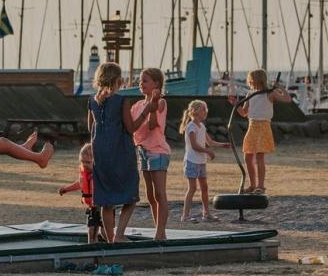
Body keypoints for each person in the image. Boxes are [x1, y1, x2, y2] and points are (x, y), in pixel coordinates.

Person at [88, 63, 144, 243]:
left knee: (106, 198)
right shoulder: (121, 101)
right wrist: (146, 112)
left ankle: (111, 238)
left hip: (100, 152)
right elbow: (131, 128)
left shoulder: (92, 101)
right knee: (131, 193)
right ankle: (119, 234)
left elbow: (91, 127)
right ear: (118, 80)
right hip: (120, 151)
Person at [230, 69, 291, 193]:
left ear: (257, 81)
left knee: (259, 157)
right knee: (247, 156)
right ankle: (252, 185)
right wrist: (236, 105)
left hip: (263, 126)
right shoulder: (250, 95)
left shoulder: (270, 94)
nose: (250, 83)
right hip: (252, 126)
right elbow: (244, 113)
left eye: (251, 81)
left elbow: (287, 99)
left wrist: (280, 88)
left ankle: (260, 186)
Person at [130, 67, 170, 240]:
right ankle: (158, 228)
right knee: (150, 195)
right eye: (140, 80)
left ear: (156, 84)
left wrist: (152, 106)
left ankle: (161, 232)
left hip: (158, 151)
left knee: (160, 193)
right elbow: (132, 128)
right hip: (143, 152)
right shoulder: (137, 106)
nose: (141, 83)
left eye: (145, 80)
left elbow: (153, 125)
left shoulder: (161, 103)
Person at [179, 99, 231, 222]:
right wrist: (208, 151)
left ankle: (206, 213)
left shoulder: (201, 126)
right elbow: (194, 146)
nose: (205, 111)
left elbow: (210, 142)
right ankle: (185, 216)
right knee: (192, 188)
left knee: (204, 188)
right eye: (203, 109)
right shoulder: (191, 127)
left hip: (201, 162)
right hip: (192, 161)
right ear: (196, 111)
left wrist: (222, 145)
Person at [58, 144, 104, 243]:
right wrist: (66, 189)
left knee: (104, 231)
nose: (85, 165)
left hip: (103, 207)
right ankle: (91, 248)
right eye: (82, 162)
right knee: (91, 231)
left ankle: (110, 246)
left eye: (88, 162)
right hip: (92, 207)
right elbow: (79, 184)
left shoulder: (100, 174)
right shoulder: (84, 174)